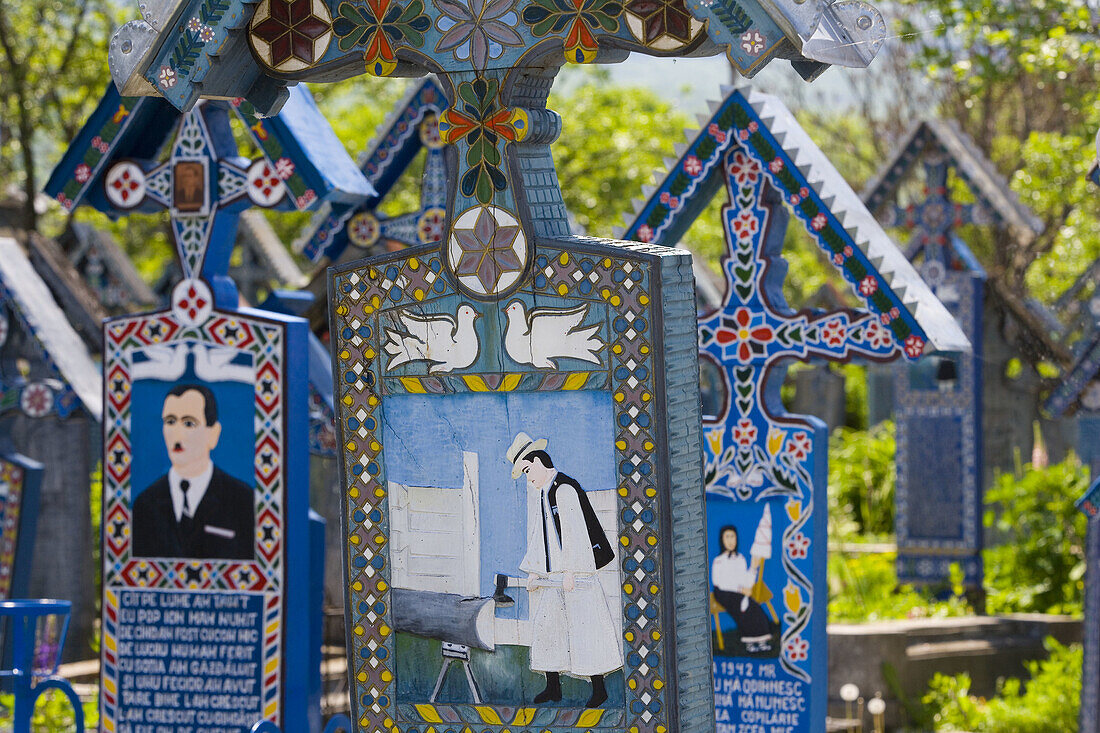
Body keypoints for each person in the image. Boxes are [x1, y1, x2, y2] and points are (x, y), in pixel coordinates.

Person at [507, 432, 623, 709]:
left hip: (577, 575)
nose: (527, 477)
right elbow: (542, 536)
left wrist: (572, 570)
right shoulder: (545, 494)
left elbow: (575, 533)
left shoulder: (564, 489)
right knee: (548, 628)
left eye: (526, 470)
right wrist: (535, 572)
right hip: (554, 577)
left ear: (536, 462)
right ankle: (553, 687)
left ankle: (599, 689)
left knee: (586, 629)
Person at [132, 384, 254, 560]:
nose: (177, 434)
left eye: (189, 423)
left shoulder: (242, 501)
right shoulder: (144, 504)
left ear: (213, 433)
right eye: (170, 422)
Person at [711, 525, 772, 652]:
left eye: (733, 537)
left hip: (739, 592)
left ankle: (761, 642)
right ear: (722, 539)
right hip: (723, 593)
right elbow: (719, 582)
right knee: (744, 609)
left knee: (755, 608)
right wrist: (740, 589)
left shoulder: (741, 559)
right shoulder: (719, 561)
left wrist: (754, 568)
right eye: (727, 537)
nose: (730, 540)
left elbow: (746, 581)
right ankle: (750, 643)